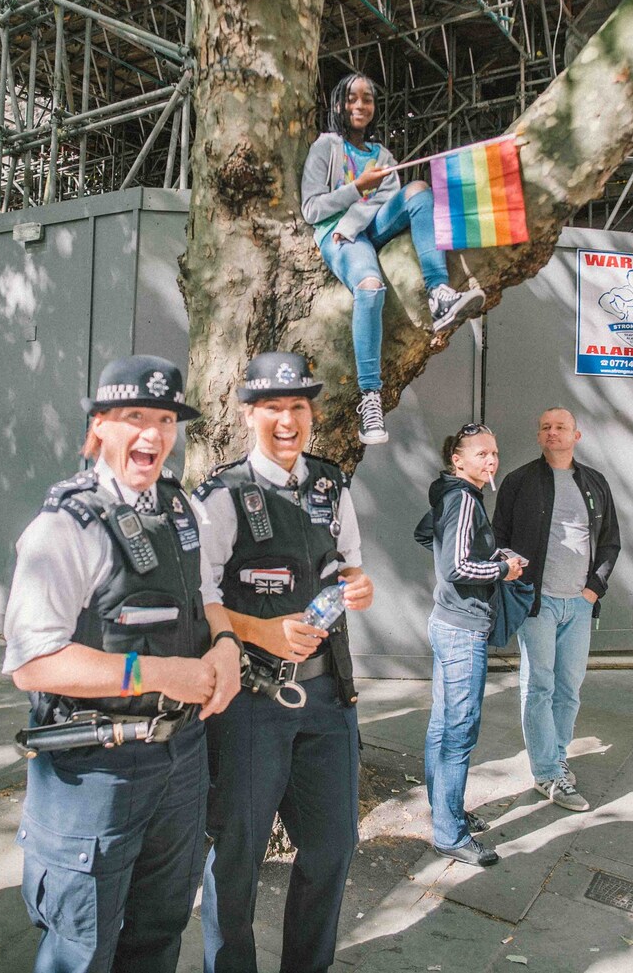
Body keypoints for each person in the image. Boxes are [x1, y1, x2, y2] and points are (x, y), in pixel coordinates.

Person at [3, 355, 242, 973]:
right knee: (81, 947)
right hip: (96, 770)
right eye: (135, 417)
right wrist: (161, 674)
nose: (153, 435)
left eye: (165, 419)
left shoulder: (183, 508)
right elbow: (34, 664)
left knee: (159, 934)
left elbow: (206, 595)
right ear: (100, 426)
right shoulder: (64, 526)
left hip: (181, 758)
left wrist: (225, 646)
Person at [194, 351, 374, 973]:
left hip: (327, 700)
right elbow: (200, 598)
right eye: (273, 407)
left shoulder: (330, 482)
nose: (287, 420)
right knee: (237, 856)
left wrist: (358, 584)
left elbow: (348, 560)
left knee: (332, 847)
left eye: (298, 406)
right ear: (248, 414)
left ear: (311, 413)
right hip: (248, 702)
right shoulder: (222, 494)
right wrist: (260, 632)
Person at [301, 72, 485, 445]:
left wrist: (360, 210)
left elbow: (384, 203)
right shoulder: (326, 147)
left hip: (367, 225)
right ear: (338, 103)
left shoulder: (383, 156)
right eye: (351, 98)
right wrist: (357, 190)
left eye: (367, 98)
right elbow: (311, 208)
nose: (359, 105)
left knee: (418, 190)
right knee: (370, 287)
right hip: (337, 234)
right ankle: (370, 398)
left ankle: (439, 294)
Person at [492, 408, 620, 813]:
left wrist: (592, 590)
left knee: (569, 687)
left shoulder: (594, 483)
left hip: (579, 605)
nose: (552, 432)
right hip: (538, 602)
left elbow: (610, 542)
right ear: (539, 434)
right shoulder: (519, 481)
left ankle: (558, 756)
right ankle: (547, 773)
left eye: (560, 427)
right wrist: (519, 578)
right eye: (545, 426)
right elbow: (499, 537)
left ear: (576, 435)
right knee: (539, 686)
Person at [415, 422, 523, 866]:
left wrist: (489, 555)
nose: (491, 460)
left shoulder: (449, 494)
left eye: (494, 453)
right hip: (463, 629)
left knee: (442, 726)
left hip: (447, 623)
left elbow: (428, 536)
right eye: (482, 454)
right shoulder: (462, 499)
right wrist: (504, 570)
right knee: (459, 734)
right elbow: (459, 566)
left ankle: (444, 810)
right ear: (458, 460)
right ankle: (450, 834)